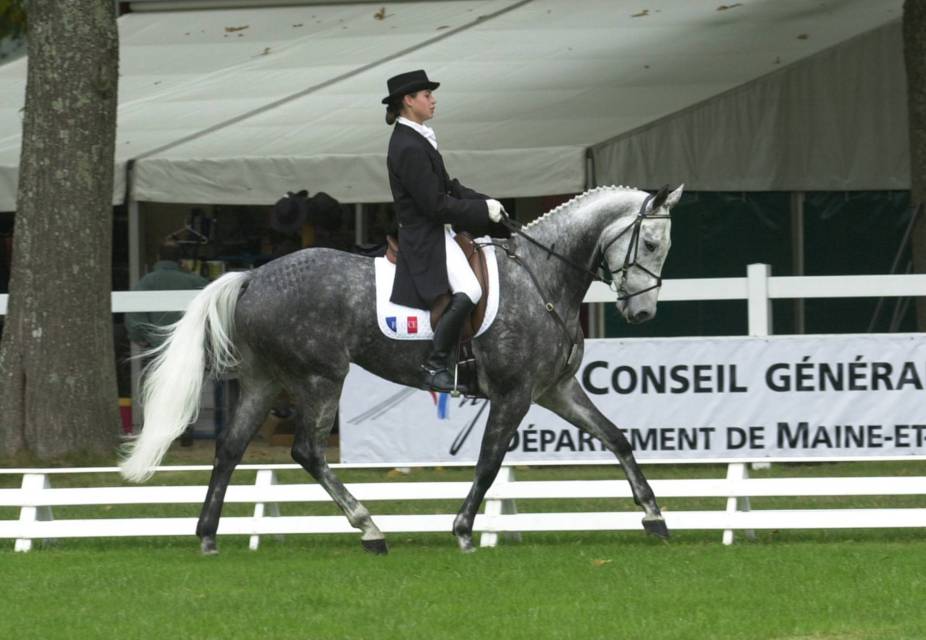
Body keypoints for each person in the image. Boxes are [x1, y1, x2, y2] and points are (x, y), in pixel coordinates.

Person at [382, 69, 510, 392]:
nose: (433, 100)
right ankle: (434, 364)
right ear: (408, 101)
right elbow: (435, 206)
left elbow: (449, 186)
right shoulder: (408, 146)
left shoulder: (418, 137)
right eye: (427, 95)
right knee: (471, 290)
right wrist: (481, 211)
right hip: (425, 238)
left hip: (438, 231)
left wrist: (488, 203)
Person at [126, 240, 209, 446]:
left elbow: (134, 318)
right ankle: (186, 430)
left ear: (157, 257)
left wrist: (146, 338)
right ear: (180, 259)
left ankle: (155, 433)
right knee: (187, 387)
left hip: (157, 348)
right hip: (188, 346)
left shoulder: (147, 282)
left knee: (156, 389)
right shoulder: (195, 282)